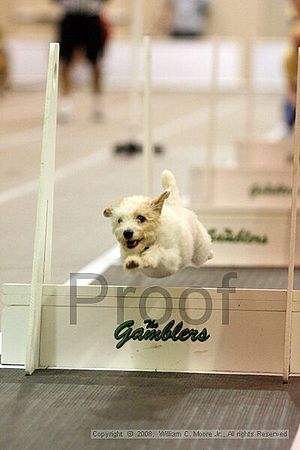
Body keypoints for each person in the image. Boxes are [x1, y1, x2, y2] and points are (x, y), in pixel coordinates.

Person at [55, 0, 110, 122]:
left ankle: (98, 103)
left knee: (95, 63)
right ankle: (66, 105)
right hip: (70, 17)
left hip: (91, 17)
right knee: (66, 63)